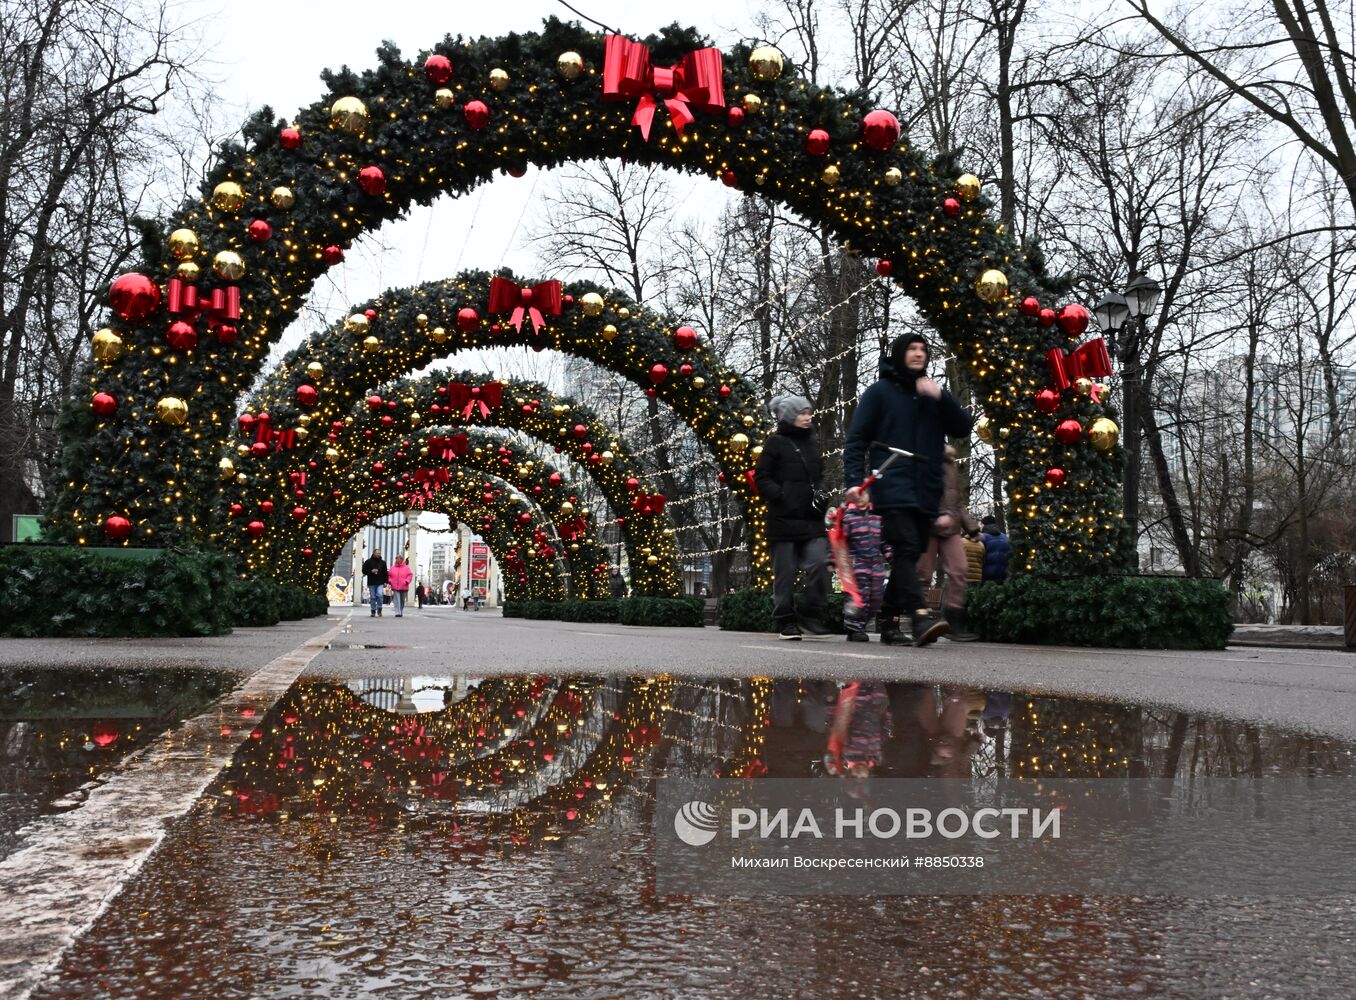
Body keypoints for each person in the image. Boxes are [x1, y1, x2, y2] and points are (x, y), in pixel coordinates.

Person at [844, 333, 974, 646]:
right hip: (891, 479)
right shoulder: (879, 392)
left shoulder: (932, 394)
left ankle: (889, 621)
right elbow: (857, 439)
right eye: (912, 349)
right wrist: (854, 482)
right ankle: (919, 615)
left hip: (926, 486)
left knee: (911, 555)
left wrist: (942, 396)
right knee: (904, 546)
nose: (918, 354)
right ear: (900, 353)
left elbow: (963, 427)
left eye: (923, 349)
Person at [754, 394, 831, 640]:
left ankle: (810, 611)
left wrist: (822, 493)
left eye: (809, 412)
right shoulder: (775, 443)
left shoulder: (812, 443)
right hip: (783, 518)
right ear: (789, 416)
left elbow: (818, 476)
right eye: (802, 413)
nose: (808, 417)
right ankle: (785, 620)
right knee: (785, 574)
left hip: (811, 517)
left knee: (819, 563)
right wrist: (781, 495)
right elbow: (761, 477)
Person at [915, 445, 980, 641]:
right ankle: (920, 621)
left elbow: (957, 502)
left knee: (960, 570)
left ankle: (954, 620)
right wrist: (933, 516)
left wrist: (972, 527)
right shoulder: (920, 458)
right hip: (927, 525)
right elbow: (917, 494)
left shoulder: (951, 465)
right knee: (923, 574)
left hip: (951, 527)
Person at [840, 500, 887, 642]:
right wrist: (833, 559)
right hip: (858, 565)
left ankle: (861, 624)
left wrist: (891, 556)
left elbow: (883, 541)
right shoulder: (848, 518)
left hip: (876, 565)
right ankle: (854, 627)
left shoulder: (877, 517)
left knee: (876, 598)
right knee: (859, 598)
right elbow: (840, 541)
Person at [980, 515, 1011, 582]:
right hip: (1004, 575)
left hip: (986, 577)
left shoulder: (982, 538)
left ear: (984, 525)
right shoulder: (1005, 538)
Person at [361, 549, 388, 617]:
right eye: (377, 553)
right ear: (373, 553)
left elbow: (385, 573)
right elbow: (364, 571)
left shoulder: (383, 562)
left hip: (380, 582)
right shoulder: (368, 562)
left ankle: (379, 609)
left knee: (380, 595)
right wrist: (371, 571)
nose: (378, 554)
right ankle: (373, 610)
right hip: (371, 582)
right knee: (372, 597)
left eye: (379, 553)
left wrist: (385, 582)